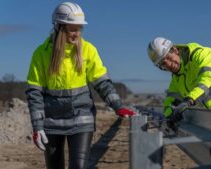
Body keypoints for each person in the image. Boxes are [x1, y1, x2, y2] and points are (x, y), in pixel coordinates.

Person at [26, 2, 136, 169]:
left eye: (79, 28)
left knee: (79, 166)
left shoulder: (88, 50)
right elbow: (34, 93)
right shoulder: (41, 54)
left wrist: (118, 106)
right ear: (58, 27)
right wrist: (37, 127)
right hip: (52, 122)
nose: (77, 33)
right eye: (72, 29)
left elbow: (102, 83)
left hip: (81, 118)